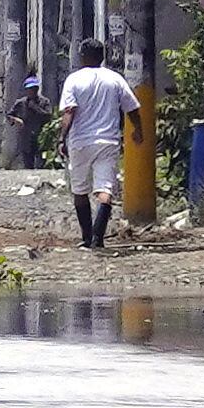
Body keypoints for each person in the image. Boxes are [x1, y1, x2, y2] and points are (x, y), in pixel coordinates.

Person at [56, 42, 138, 251]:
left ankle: (86, 236)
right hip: (108, 141)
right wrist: (138, 131)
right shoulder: (115, 79)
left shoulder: (74, 80)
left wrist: (61, 139)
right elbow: (132, 107)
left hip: (80, 142)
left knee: (80, 190)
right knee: (105, 190)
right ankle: (98, 238)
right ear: (102, 56)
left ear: (83, 56)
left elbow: (69, 112)